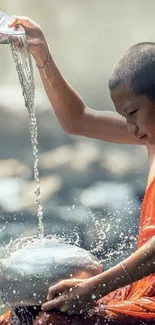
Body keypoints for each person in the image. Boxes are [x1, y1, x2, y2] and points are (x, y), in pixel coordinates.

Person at [1, 15, 155, 325]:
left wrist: (93, 288)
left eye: (133, 113)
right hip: (144, 289)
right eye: (124, 117)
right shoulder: (150, 135)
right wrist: (41, 53)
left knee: (53, 323)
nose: (131, 128)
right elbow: (78, 120)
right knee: (20, 314)